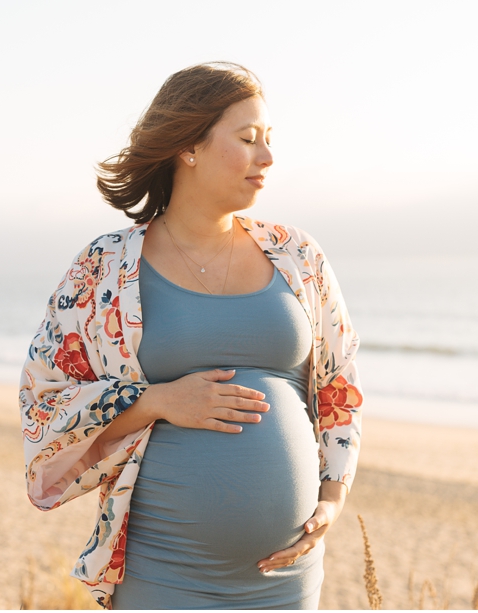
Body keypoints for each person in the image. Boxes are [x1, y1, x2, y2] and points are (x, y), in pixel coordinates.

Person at [19, 62, 363, 610]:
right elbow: (44, 400)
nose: (268, 158)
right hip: (163, 570)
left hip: (285, 580)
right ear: (189, 147)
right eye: (249, 139)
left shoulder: (298, 256)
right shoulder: (106, 268)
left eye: (270, 140)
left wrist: (332, 496)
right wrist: (155, 401)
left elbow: (339, 383)